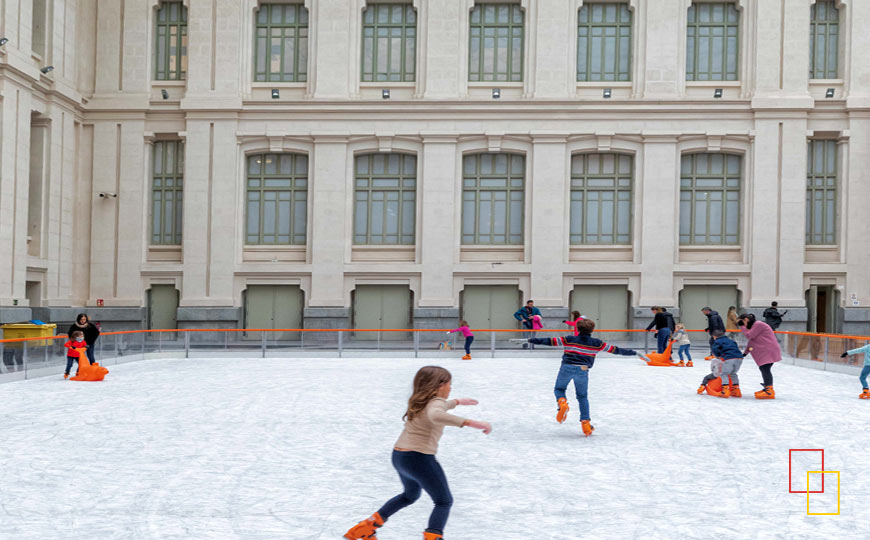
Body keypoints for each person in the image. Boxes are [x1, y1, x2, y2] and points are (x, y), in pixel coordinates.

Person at [344, 366, 491, 540]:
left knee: (409, 495)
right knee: (443, 501)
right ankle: (433, 537)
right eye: (449, 384)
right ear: (440, 385)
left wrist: (457, 402)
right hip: (419, 458)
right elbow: (436, 414)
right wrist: (472, 423)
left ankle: (365, 528)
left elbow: (438, 406)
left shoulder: (418, 399)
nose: (450, 388)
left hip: (400, 456)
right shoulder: (435, 404)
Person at [528, 318, 648, 437]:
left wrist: (532, 340)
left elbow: (548, 341)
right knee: (582, 396)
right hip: (583, 370)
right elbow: (616, 350)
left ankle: (562, 402)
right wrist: (634, 352)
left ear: (577, 328)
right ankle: (586, 424)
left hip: (567, 367)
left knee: (559, 389)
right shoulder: (597, 343)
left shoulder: (569, 339)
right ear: (592, 330)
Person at [737, 313, 781, 400]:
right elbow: (752, 340)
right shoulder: (754, 326)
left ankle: (769, 390)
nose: (742, 325)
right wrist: (745, 353)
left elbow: (749, 336)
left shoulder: (758, 324)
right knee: (763, 368)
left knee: (765, 368)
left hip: (768, 350)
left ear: (746, 319)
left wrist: (742, 327)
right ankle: (767, 387)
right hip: (765, 350)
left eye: (742, 322)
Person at [697, 329, 743, 398]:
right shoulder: (731, 340)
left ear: (714, 336)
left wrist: (718, 355)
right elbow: (735, 346)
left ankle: (725, 390)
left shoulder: (717, 341)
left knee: (724, 373)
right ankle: (736, 390)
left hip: (729, 358)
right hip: (739, 358)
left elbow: (715, 349)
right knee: (733, 374)